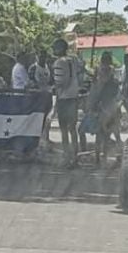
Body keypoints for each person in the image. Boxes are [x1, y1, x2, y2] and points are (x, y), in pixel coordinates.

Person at [88, 52, 122, 166]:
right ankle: (112, 156)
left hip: (101, 106)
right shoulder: (114, 72)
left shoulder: (99, 72)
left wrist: (91, 105)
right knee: (113, 133)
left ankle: (98, 158)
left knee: (100, 134)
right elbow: (117, 89)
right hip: (112, 105)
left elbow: (95, 89)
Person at [53, 38, 81, 168]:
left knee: (64, 130)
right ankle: (75, 157)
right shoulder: (74, 60)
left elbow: (60, 82)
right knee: (73, 129)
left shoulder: (59, 62)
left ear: (59, 49)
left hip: (63, 98)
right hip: (74, 97)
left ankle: (66, 157)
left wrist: (54, 88)